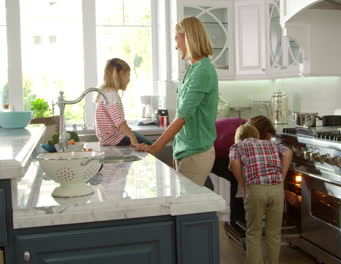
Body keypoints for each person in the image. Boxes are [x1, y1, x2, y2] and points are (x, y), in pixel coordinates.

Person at [135, 16, 218, 186]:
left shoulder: (203, 71)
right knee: (185, 206)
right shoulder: (192, 70)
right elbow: (183, 118)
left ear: (188, 38)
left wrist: (154, 148)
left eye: (177, 39)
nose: (176, 46)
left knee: (187, 209)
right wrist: (176, 153)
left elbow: (181, 117)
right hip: (185, 151)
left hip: (196, 153)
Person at [229, 124, 292, 264]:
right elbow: (287, 152)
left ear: (238, 137)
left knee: (254, 232)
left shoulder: (237, 146)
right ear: (257, 135)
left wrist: (243, 186)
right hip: (276, 189)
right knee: (274, 233)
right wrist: (282, 177)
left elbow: (233, 164)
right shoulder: (271, 143)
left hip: (256, 189)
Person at [95, 58, 153, 146]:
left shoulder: (104, 92)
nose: (129, 80)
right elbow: (119, 121)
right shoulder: (111, 94)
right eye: (128, 75)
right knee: (149, 145)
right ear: (121, 75)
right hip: (116, 139)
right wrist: (132, 137)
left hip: (108, 140)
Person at [206, 117, 247, 225]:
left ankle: (237, 221)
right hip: (205, 151)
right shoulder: (244, 135)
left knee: (238, 180)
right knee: (238, 180)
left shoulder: (241, 124)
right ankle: (238, 222)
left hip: (201, 147)